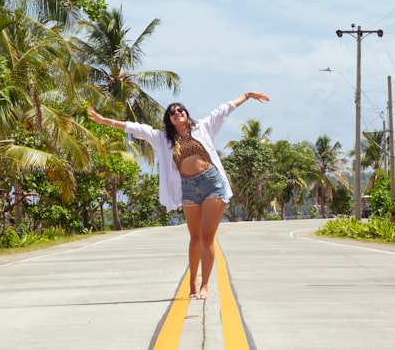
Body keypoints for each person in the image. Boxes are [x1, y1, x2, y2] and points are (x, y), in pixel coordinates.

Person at [87, 91, 270, 300]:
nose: (177, 112)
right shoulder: (161, 138)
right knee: (195, 238)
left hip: (212, 183)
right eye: (172, 112)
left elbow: (224, 108)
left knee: (208, 237)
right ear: (169, 119)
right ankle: (192, 281)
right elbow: (135, 128)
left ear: (186, 113)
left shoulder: (203, 127)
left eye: (180, 109)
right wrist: (103, 121)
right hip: (188, 188)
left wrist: (247, 95)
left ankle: (205, 286)